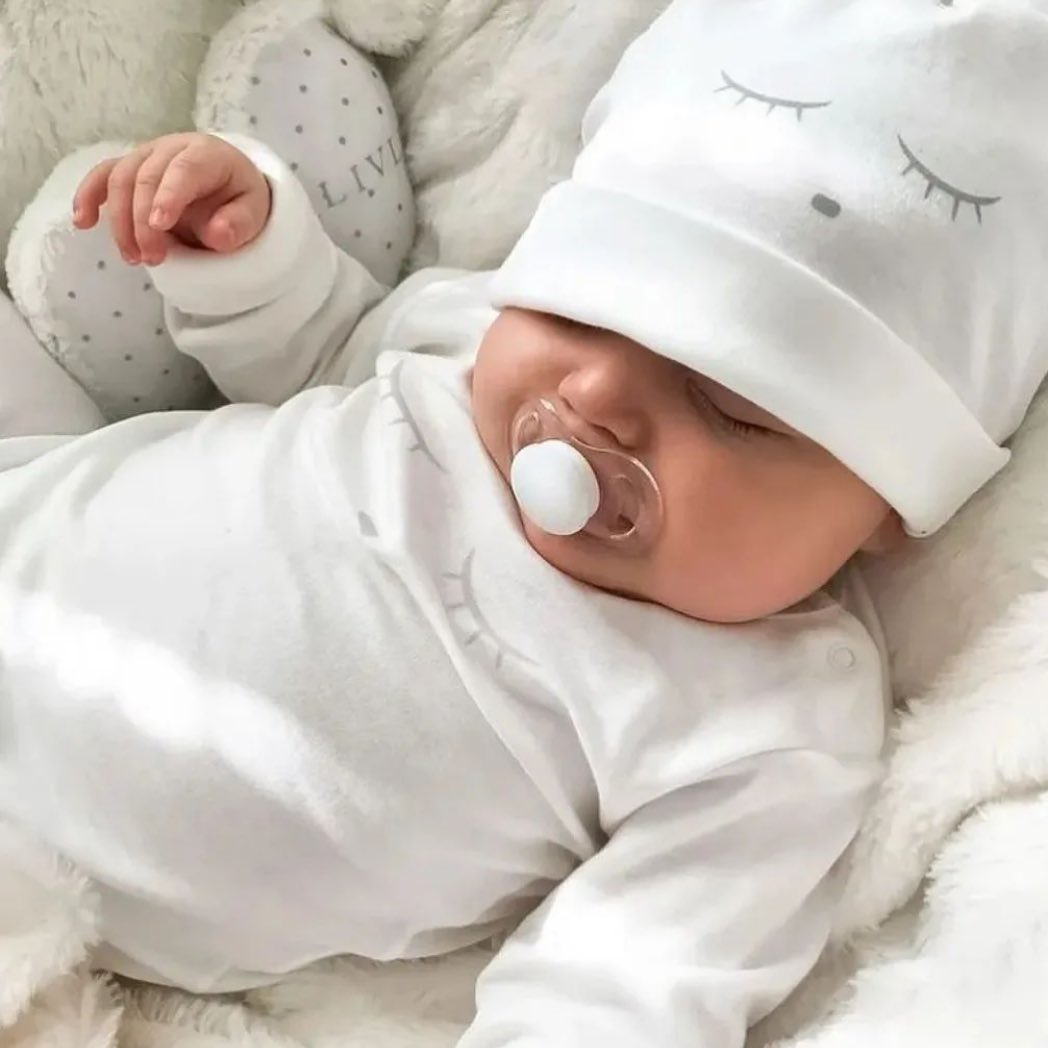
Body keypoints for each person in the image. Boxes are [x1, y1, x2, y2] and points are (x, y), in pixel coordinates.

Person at [2, 0, 1046, 1044]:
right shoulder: (464, 336)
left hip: (49, 861)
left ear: (891, 510)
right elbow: (321, 350)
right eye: (574, 309)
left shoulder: (772, 735)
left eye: (730, 406)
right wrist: (249, 255)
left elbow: (623, 982)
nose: (593, 392)